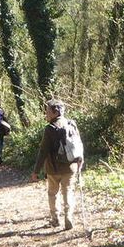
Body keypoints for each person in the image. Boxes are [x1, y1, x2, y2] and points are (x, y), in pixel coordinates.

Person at [30, 99, 83, 231]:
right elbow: (79, 144)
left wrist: (36, 171)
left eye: (48, 111)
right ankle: (69, 216)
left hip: (53, 169)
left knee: (53, 193)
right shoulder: (72, 124)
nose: (46, 114)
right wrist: (80, 160)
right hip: (71, 167)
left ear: (55, 112)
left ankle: (55, 219)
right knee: (68, 192)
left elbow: (43, 151)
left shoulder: (50, 128)